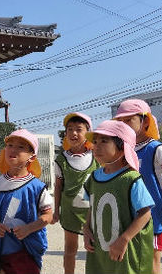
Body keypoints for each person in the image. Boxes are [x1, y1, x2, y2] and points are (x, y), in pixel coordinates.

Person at [114, 99, 162, 274]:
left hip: (153, 217)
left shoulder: (156, 149)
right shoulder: (125, 150)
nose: (124, 124)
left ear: (145, 120)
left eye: (129, 120)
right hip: (130, 217)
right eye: (121, 121)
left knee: (152, 261)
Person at [83, 120, 154, 274]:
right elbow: (92, 207)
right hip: (100, 250)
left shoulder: (130, 178)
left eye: (104, 141)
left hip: (125, 250)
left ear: (122, 147)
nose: (96, 146)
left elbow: (145, 213)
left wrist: (124, 239)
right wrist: (86, 228)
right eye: (95, 141)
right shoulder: (94, 178)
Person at [0, 129, 53, 274]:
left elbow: (48, 215)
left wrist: (29, 228)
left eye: (21, 147)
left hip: (27, 250)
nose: (13, 149)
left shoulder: (37, 187)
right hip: (2, 249)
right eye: (9, 145)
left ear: (31, 157)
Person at [52, 112, 98, 274]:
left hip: (92, 212)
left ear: (88, 133)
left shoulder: (97, 156)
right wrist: (56, 211)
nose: (73, 133)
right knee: (70, 249)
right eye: (69, 129)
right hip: (70, 212)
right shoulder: (61, 159)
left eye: (79, 129)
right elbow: (58, 186)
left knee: (95, 248)